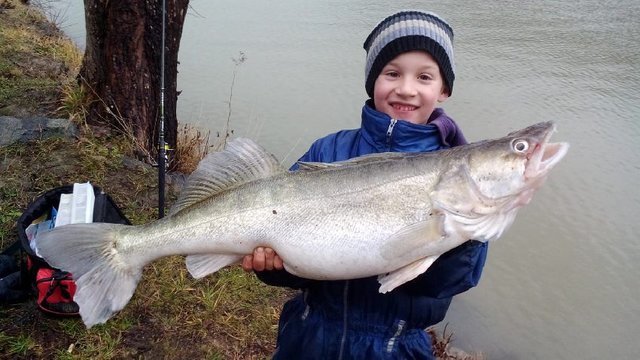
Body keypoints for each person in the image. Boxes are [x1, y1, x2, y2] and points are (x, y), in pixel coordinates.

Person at [242, 10, 488, 359]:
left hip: (395, 347)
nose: (406, 88)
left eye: (424, 77)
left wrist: (460, 232)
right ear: (372, 80)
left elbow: (448, 282)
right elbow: (297, 263)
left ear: (444, 89)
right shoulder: (328, 150)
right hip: (309, 337)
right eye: (392, 73)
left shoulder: (455, 173)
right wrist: (273, 269)